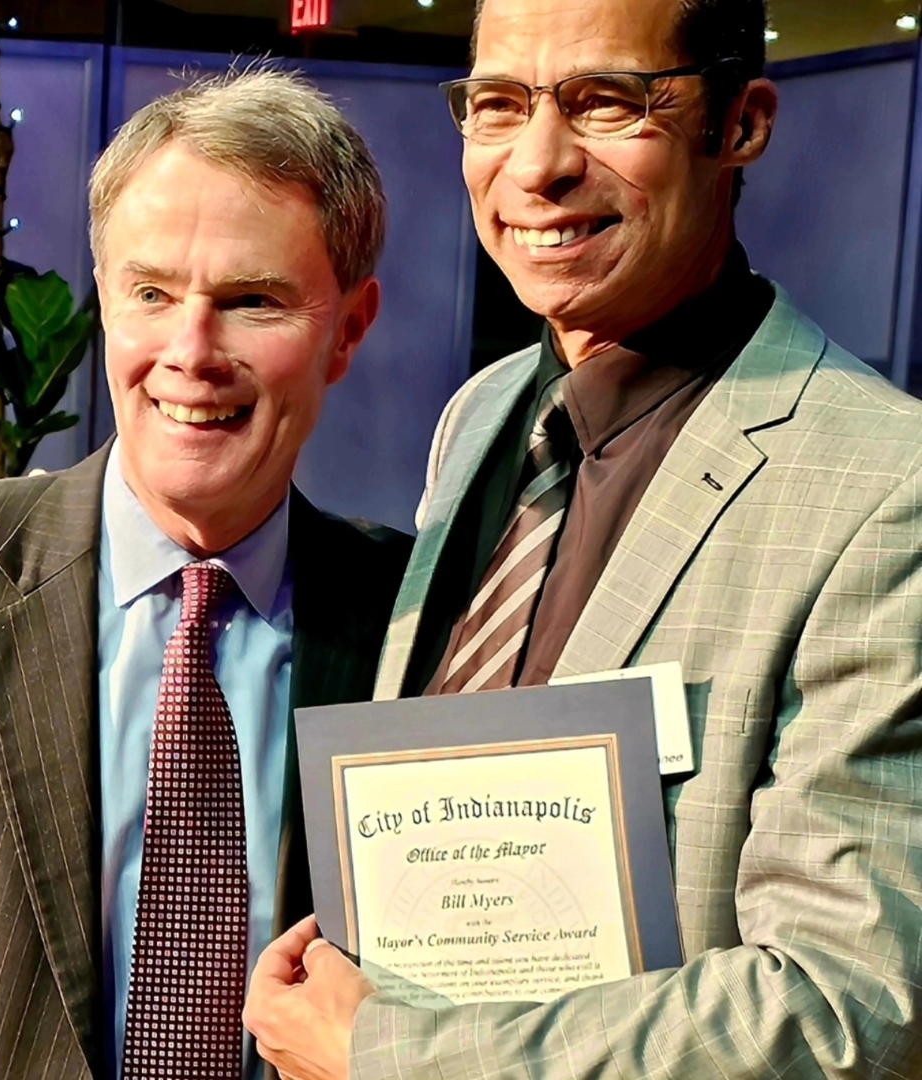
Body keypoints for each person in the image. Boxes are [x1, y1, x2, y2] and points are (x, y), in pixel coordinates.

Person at [243, 0, 922, 1077]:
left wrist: (386, 1053)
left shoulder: (886, 488)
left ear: (740, 124)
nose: (539, 164)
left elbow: (848, 1009)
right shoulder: (483, 415)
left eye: (605, 103)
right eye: (499, 105)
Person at [0, 69, 412, 1080]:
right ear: (107, 297)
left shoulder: (419, 618)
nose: (191, 353)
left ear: (350, 329)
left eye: (252, 301)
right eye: (152, 293)